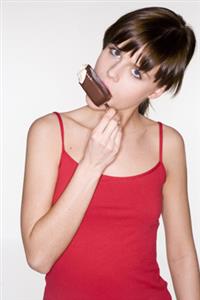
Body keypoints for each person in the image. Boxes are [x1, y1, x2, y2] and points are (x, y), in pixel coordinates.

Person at [20, 6, 200, 300]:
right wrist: (92, 164)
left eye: (136, 72)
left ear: (157, 90)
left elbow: (181, 255)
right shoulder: (49, 132)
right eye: (115, 52)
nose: (111, 73)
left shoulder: (167, 144)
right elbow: (38, 257)